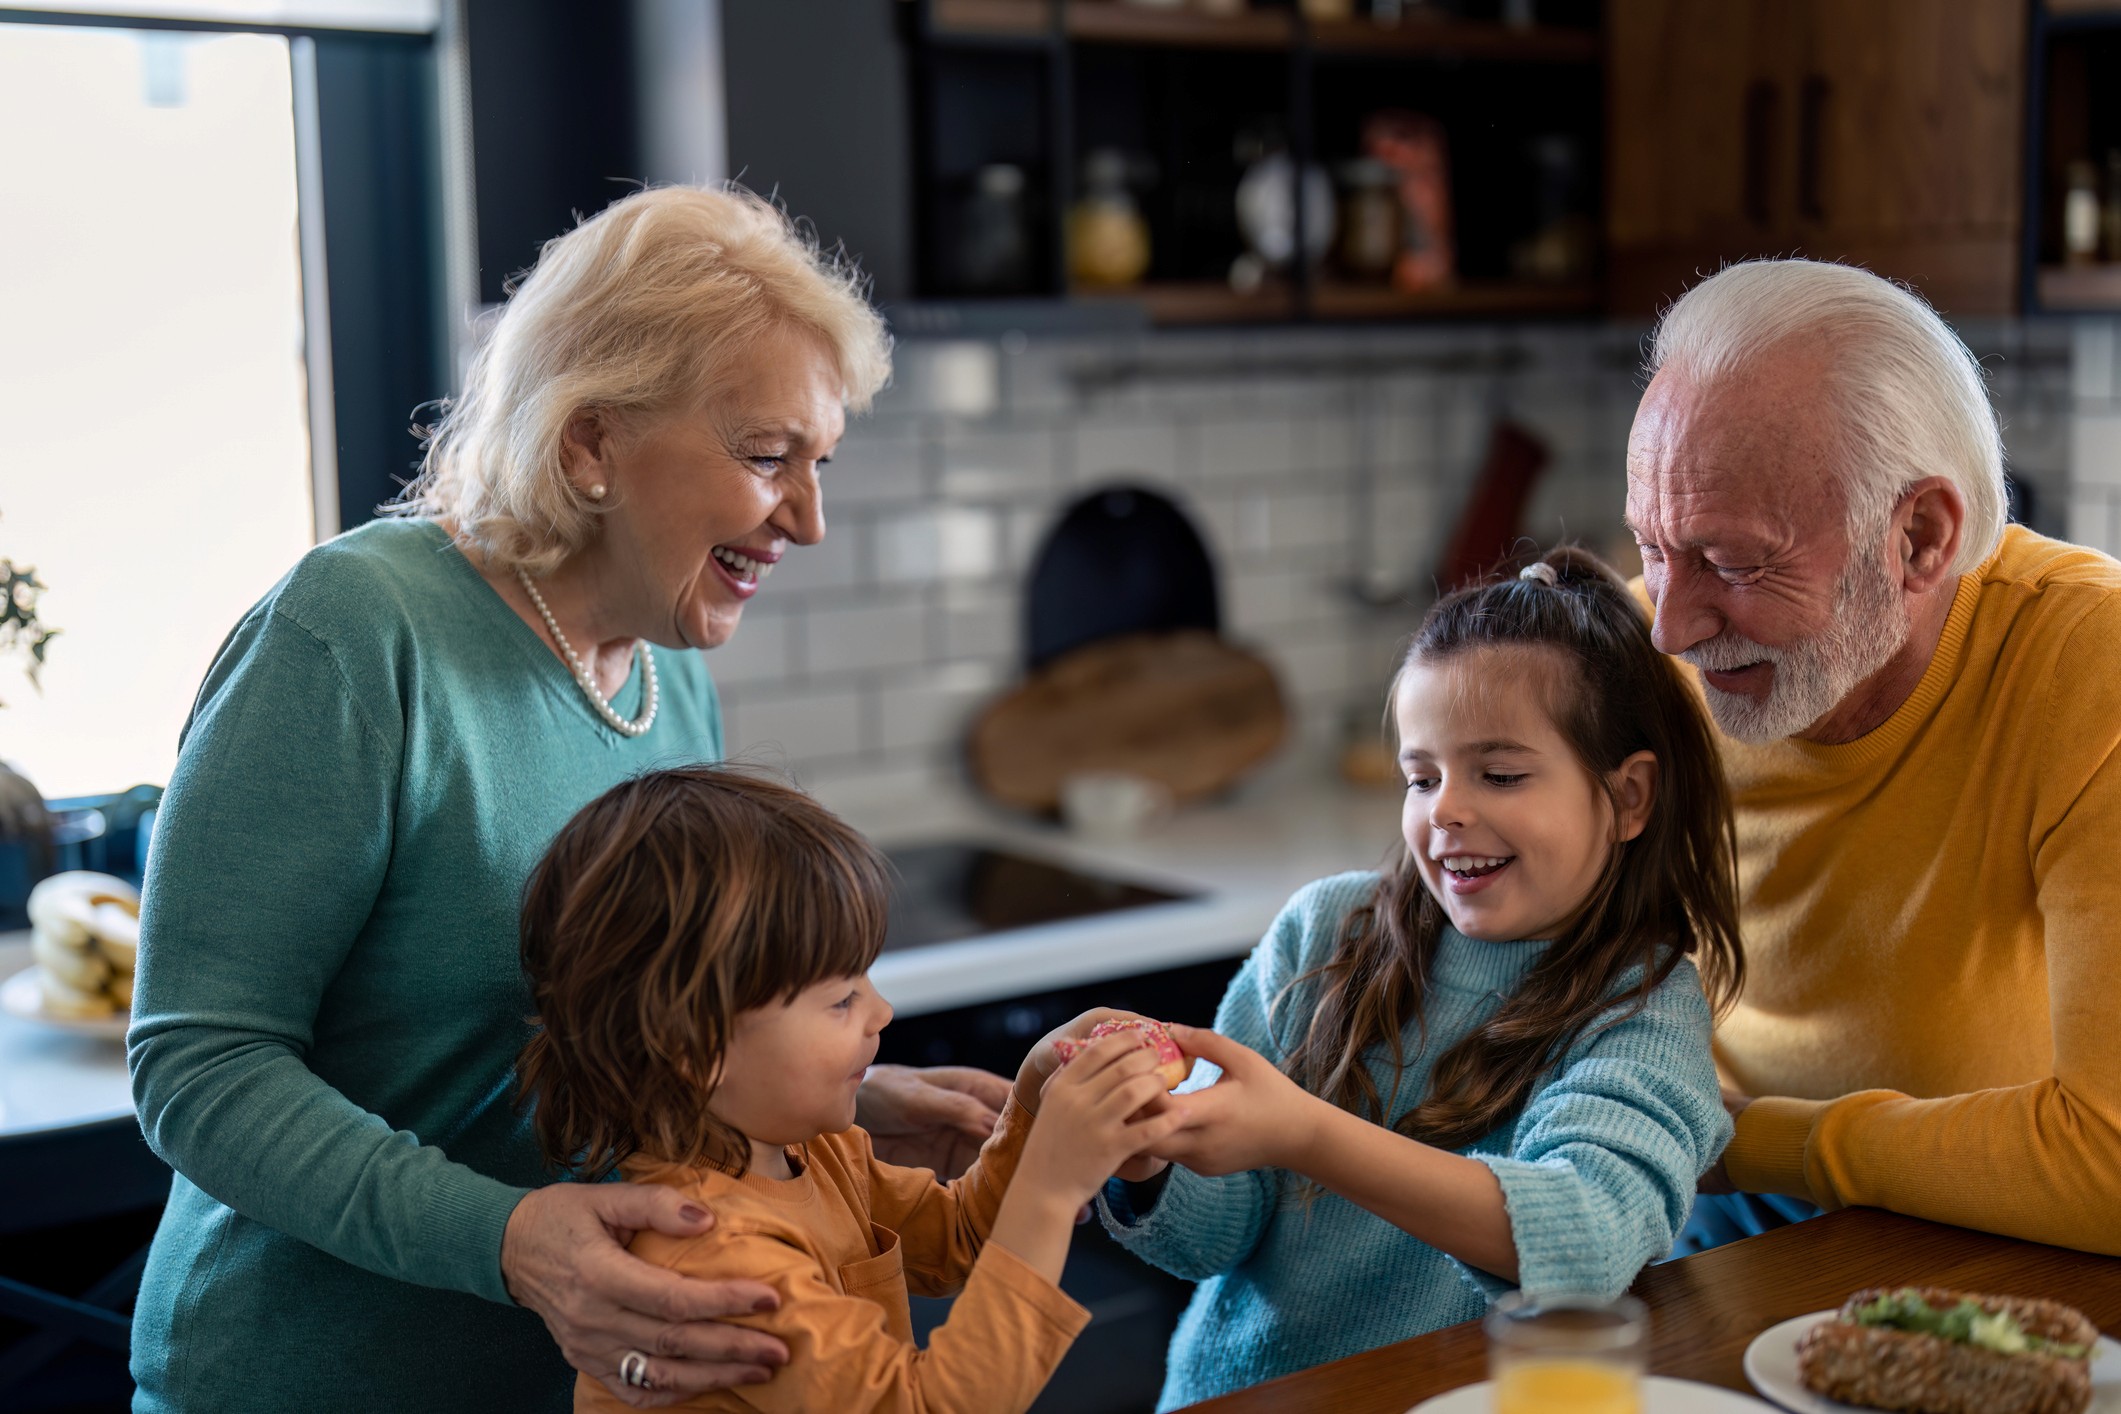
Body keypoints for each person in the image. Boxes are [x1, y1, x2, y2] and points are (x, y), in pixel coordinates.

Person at [127, 186, 1011, 1413]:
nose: (807, 520)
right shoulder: (353, 634)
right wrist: (509, 1239)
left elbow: (635, 1022)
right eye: (767, 457)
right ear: (589, 445)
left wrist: (839, 1099)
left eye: (819, 464)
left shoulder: (666, 674)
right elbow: (201, 1064)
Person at [1096, 548, 1743, 1410]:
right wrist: (1147, 1157)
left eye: (1500, 774)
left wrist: (1303, 1132)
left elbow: (1585, 1245)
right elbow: (1216, 1232)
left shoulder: (1642, 1011)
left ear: (1629, 797)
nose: (1443, 810)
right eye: (1420, 777)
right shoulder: (1326, 933)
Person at [1624, 260, 2121, 1257]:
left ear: (1922, 538)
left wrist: (1751, 1138)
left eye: (1733, 563)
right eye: (1653, 548)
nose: (1671, 628)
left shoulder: (2088, 662)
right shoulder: (1642, 648)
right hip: (1692, 1187)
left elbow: (2109, 1165)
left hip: (1991, 1217)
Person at [513, 765, 1185, 1413]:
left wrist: (1035, 1097)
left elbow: (958, 1242)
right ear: (695, 1048)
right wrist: (1049, 1188)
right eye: (840, 999)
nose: (881, 1012)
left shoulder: (815, 1152)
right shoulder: (713, 1257)